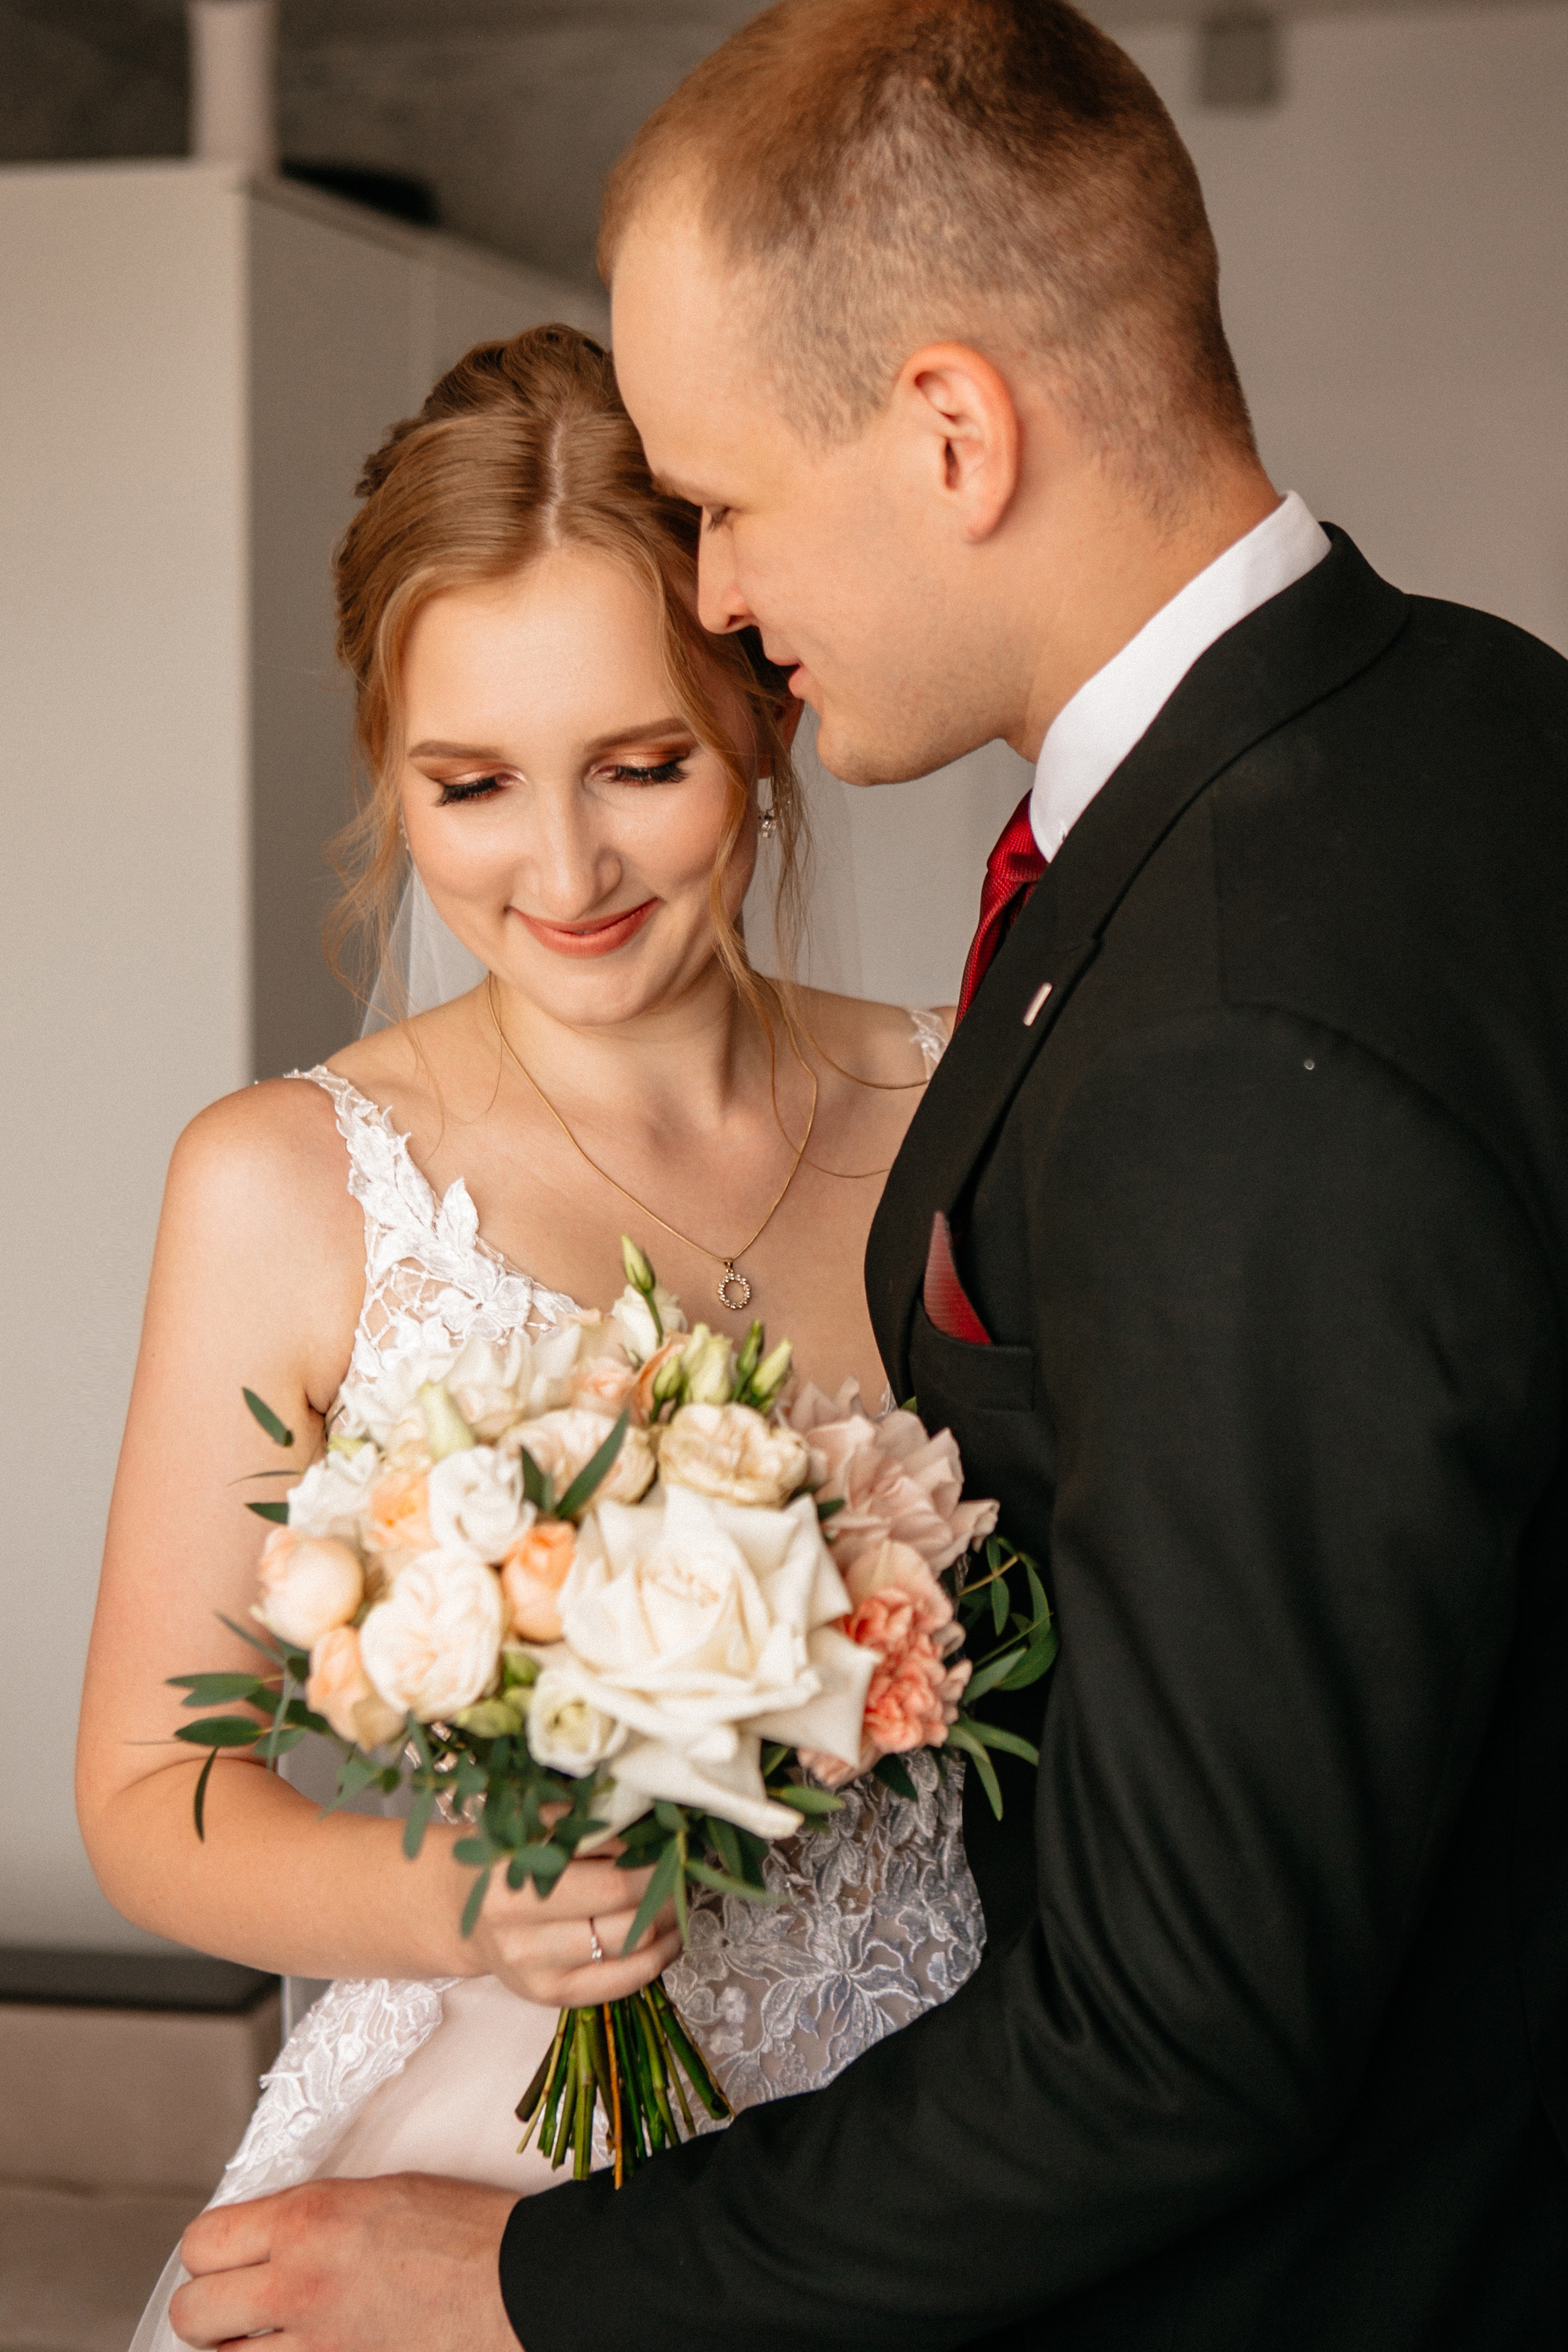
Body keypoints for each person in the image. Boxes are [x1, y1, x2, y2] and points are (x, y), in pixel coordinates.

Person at [169, 0, 1568, 2347]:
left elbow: (1191, 2025)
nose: (718, 589)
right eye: (472, 778)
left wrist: (536, 2282)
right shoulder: (1490, 714)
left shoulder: (1223, 1029)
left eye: (721, 499)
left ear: (951, 431)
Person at [78, 325, 980, 2352]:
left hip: (928, 2158)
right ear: (387, 763)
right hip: (482, 2164)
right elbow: (146, 1788)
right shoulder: (284, 1185)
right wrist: (466, 1902)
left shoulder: (969, 1102)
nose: (563, 871)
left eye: (642, 767)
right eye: (470, 785)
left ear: (763, 710)